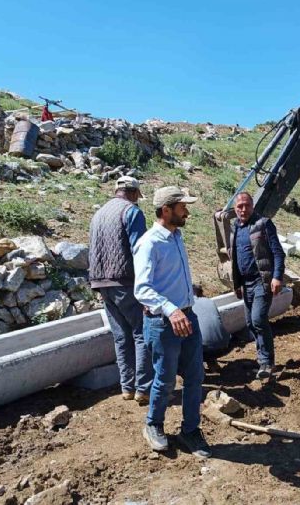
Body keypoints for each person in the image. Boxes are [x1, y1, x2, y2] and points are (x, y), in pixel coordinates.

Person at [134, 186, 211, 458]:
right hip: (163, 322)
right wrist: (171, 309)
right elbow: (141, 288)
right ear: (166, 210)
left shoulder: (176, 237)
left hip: (187, 316)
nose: (187, 212)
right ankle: (153, 425)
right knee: (165, 379)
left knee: (195, 376)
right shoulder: (149, 242)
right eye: (182, 208)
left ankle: (190, 430)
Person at [88, 176, 153, 403]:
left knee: (121, 336)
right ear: (134, 193)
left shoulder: (99, 214)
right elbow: (140, 249)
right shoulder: (132, 212)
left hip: (101, 283)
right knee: (141, 333)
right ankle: (143, 389)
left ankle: (126, 387)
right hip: (125, 281)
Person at [230, 192, 286, 379]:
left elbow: (278, 253)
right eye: (240, 206)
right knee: (250, 323)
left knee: (258, 320)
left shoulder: (263, 224)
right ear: (235, 209)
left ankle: (267, 363)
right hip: (246, 284)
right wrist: (237, 284)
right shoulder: (235, 228)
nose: (243, 209)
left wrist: (277, 277)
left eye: (247, 205)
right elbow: (235, 258)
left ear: (252, 206)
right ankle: (263, 358)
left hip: (262, 281)